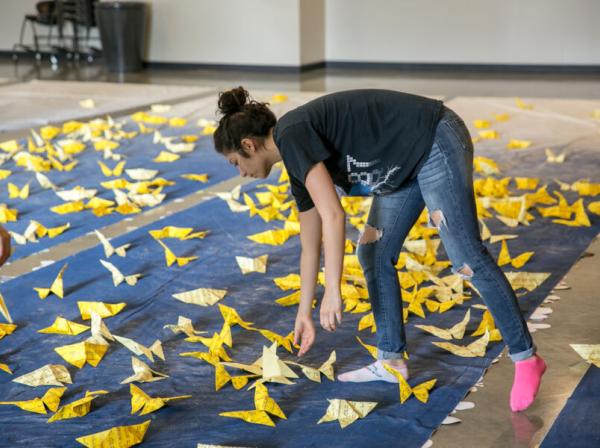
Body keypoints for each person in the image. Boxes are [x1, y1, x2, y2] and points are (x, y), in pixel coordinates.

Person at [213, 86, 546, 412]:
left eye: (234, 163)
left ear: (249, 145)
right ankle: (391, 361)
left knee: (466, 258)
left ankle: (526, 357)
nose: (240, 173)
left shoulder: (292, 134)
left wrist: (332, 290)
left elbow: (333, 214)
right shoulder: (298, 167)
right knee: (373, 252)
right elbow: (309, 243)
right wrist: (304, 312)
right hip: (402, 167)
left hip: (434, 141)